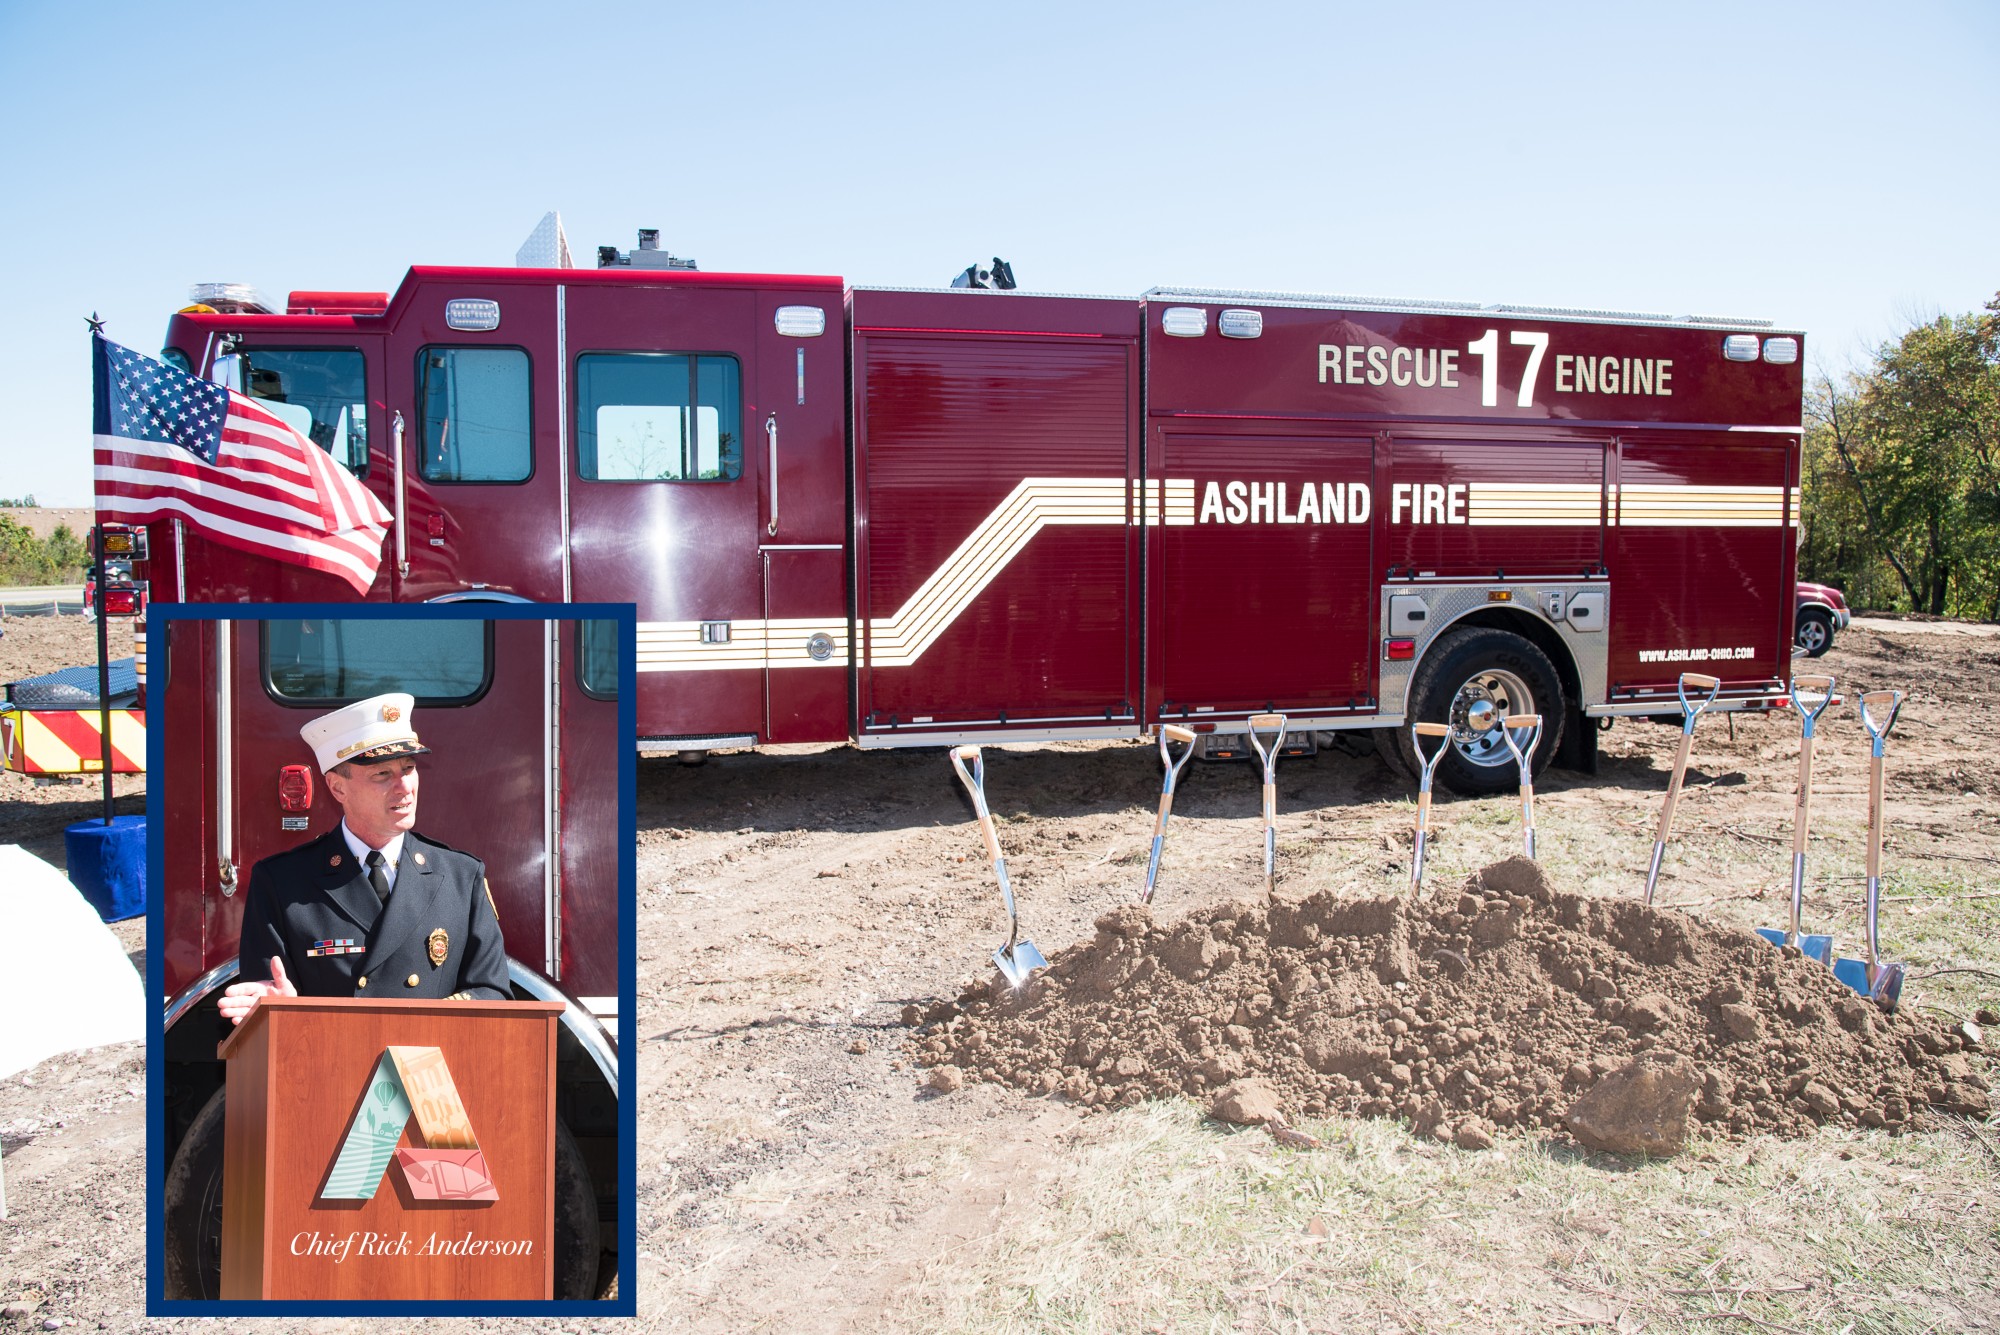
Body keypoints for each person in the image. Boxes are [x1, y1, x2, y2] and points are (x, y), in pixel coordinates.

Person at [217, 692, 510, 1023]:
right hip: (329, 1067)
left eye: (409, 768)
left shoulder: (461, 876)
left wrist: (424, 1027)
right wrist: (283, 1010)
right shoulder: (282, 882)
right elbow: (265, 1000)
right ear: (337, 788)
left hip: (426, 1068)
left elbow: (492, 991)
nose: (404, 787)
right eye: (382, 774)